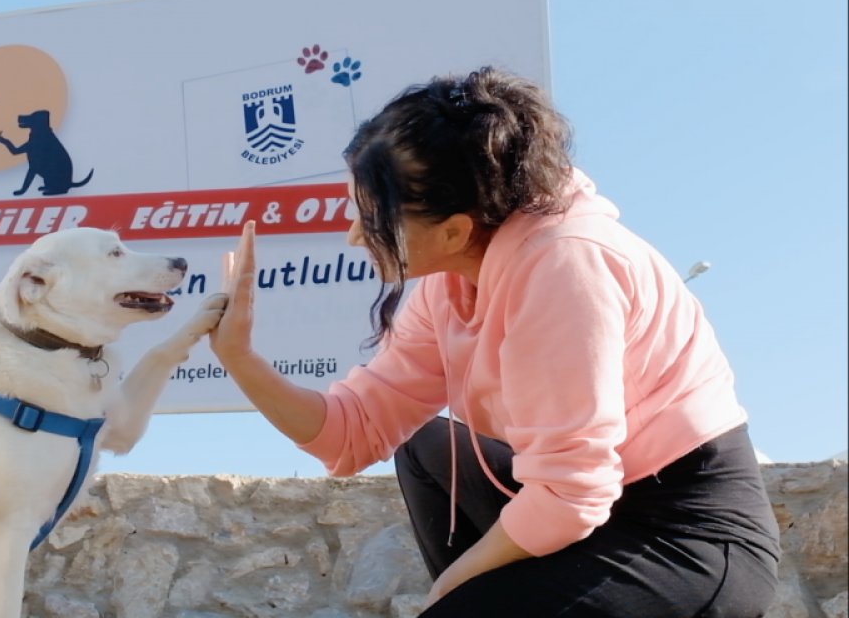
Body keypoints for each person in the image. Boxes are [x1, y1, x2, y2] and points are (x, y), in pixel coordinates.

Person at [208, 67, 781, 617]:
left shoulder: (566, 262)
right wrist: (241, 358)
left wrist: (455, 591)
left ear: (455, 228)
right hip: (594, 510)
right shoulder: (453, 284)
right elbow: (352, 432)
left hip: (685, 535)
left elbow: (569, 493)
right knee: (425, 445)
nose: (355, 233)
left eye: (372, 215)